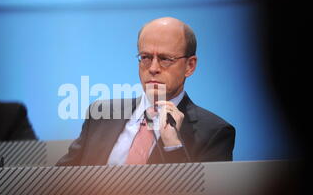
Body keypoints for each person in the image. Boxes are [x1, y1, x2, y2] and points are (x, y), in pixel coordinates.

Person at [57, 17, 235, 166]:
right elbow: (60, 182)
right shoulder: (101, 115)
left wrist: (173, 146)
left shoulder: (215, 133)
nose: (153, 68)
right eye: (146, 57)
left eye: (165, 59)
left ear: (190, 66)